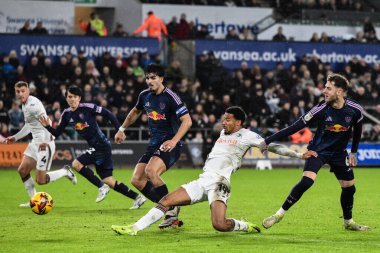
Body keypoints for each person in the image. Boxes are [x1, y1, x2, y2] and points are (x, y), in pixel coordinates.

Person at [111, 106, 317, 236]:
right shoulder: (222, 132)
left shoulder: (248, 136)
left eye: (227, 119)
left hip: (220, 183)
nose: (223, 122)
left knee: (219, 225)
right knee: (165, 201)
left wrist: (299, 156)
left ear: (238, 122)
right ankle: (134, 228)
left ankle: (243, 226)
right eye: (223, 118)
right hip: (202, 180)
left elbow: (274, 147)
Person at [259, 73, 370, 231]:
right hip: (318, 151)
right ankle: (278, 215)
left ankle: (348, 222)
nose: (324, 91)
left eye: (328, 88)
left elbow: (358, 129)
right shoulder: (321, 109)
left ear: (339, 92)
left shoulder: (355, 110)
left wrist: (353, 152)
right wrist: (267, 140)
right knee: (307, 182)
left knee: (349, 188)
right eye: (325, 87)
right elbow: (294, 127)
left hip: (339, 153)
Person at [39, 85, 145, 208]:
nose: (72, 99)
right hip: (99, 146)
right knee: (108, 180)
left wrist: (120, 130)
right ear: (66, 98)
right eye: (69, 97)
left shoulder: (88, 108)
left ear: (79, 98)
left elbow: (108, 113)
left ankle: (101, 187)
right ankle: (138, 197)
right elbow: (57, 133)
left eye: (74, 97)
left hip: (101, 145)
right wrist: (47, 126)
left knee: (76, 164)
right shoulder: (66, 114)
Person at [114, 64, 192, 228]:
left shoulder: (171, 97)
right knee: (136, 180)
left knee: (150, 171)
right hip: (154, 144)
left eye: (153, 78)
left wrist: (174, 141)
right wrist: (122, 129)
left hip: (170, 143)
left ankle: (170, 213)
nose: (149, 81)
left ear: (161, 79)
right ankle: (171, 206)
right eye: (148, 77)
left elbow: (187, 121)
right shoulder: (144, 96)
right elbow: (135, 112)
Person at [4, 81, 77, 207]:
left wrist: (44, 142)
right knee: (22, 171)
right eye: (18, 91)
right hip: (35, 142)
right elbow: (29, 125)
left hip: (45, 143)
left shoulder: (33, 105)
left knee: (41, 180)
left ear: (28, 91)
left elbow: (46, 121)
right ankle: (34, 200)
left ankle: (65, 171)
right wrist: (15, 138)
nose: (20, 94)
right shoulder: (24, 105)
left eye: (23, 91)